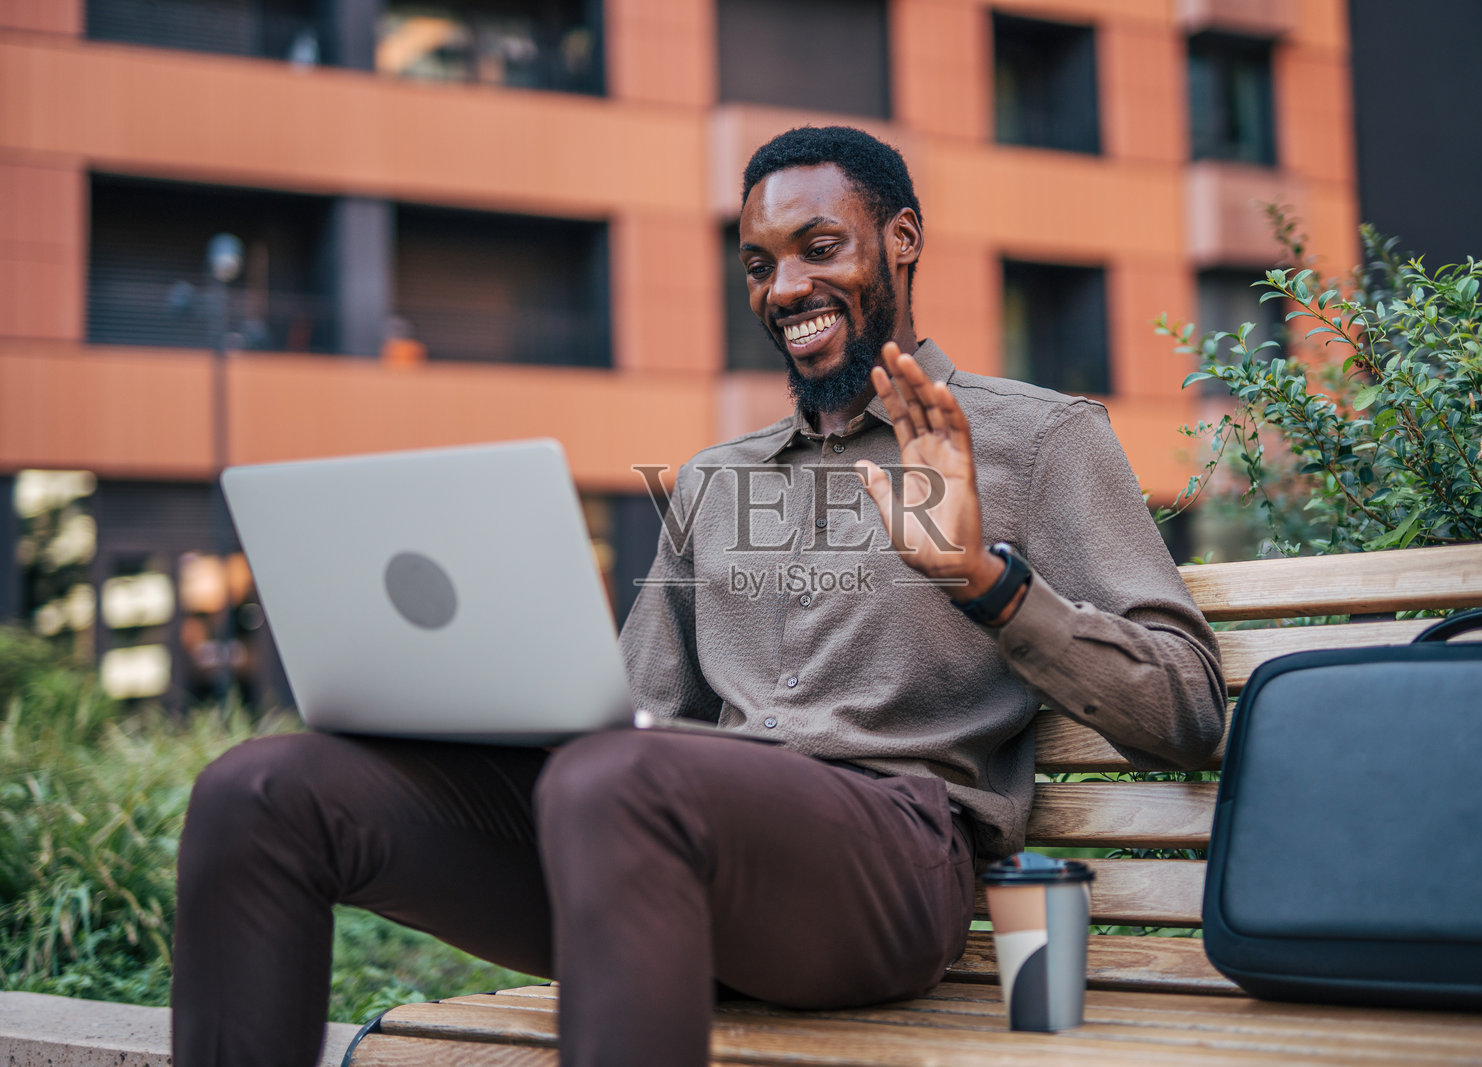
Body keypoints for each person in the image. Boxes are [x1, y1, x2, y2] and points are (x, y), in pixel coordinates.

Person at [171, 126, 1224, 1067]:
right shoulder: (717, 481)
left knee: (617, 784)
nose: (783, 289)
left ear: (901, 240)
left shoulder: (1037, 440)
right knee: (261, 794)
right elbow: (631, 718)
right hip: (655, 841)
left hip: (895, 862)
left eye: (820, 248)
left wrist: (987, 583)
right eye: (759, 266)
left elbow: (1184, 706)